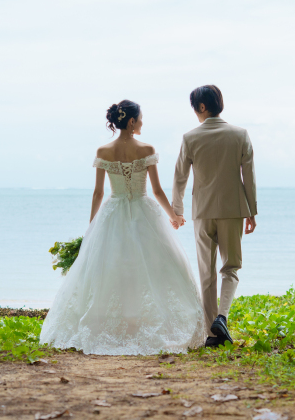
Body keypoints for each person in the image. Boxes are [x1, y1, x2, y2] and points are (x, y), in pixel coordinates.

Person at [39, 100, 204, 355]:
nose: (142, 123)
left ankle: (122, 324)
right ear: (130, 121)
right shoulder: (146, 148)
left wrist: (92, 226)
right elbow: (158, 191)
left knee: (114, 268)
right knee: (153, 267)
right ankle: (139, 323)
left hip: (112, 211)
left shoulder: (104, 151)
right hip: (143, 210)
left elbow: (98, 193)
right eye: (140, 119)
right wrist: (174, 216)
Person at [172, 85, 257, 348]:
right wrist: (252, 211)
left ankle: (213, 333)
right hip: (233, 210)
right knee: (230, 267)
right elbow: (249, 176)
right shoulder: (240, 134)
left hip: (203, 211)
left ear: (201, 107)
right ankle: (222, 316)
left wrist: (178, 209)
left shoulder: (190, 138)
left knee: (206, 273)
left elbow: (180, 177)